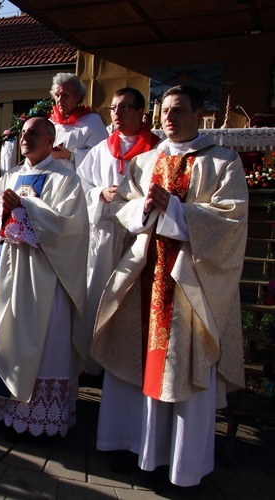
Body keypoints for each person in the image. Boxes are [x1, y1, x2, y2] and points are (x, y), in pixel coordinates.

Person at [90, 85, 248, 487]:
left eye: (179, 111)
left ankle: (182, 465)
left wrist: (175, 209)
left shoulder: (224, 162)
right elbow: (124, 208)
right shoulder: (144, 161)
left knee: (180, 365)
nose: (169, 118)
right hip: (144, 276)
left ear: (200, 114)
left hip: (189, 286)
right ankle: (131, 445)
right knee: (132, 361)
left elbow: (231, 222)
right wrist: (145, 207)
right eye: (164, 111)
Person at [0, 116, 89, 437]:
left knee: (43, 337)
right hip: (5, 269)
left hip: (43, 277)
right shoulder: (10, 175)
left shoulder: (66, 179)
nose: (26, 138)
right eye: (23, 133)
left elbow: (70, 228)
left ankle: (33, 417)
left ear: (50, 140)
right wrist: (2, 211)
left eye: (34, 133)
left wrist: (25, 209)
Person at [76, 87, 160, 373]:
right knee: (96, 293)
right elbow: (80, 188)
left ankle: (125, 364)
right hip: (105, 235)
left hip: (139, 239)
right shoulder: (101, 150)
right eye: (113, 108)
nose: (117, 113)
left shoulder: (156, 150)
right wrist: (100, 193)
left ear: (141, 113)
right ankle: (91, 363)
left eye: (124, 107)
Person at [49, 73, 108, 169]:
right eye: (57, 95)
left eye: (65, 95)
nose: (60, 100)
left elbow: (101, 157)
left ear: (77, 97)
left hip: (77, 181)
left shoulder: (92, 122)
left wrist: (70, 156)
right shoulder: (50, 123)